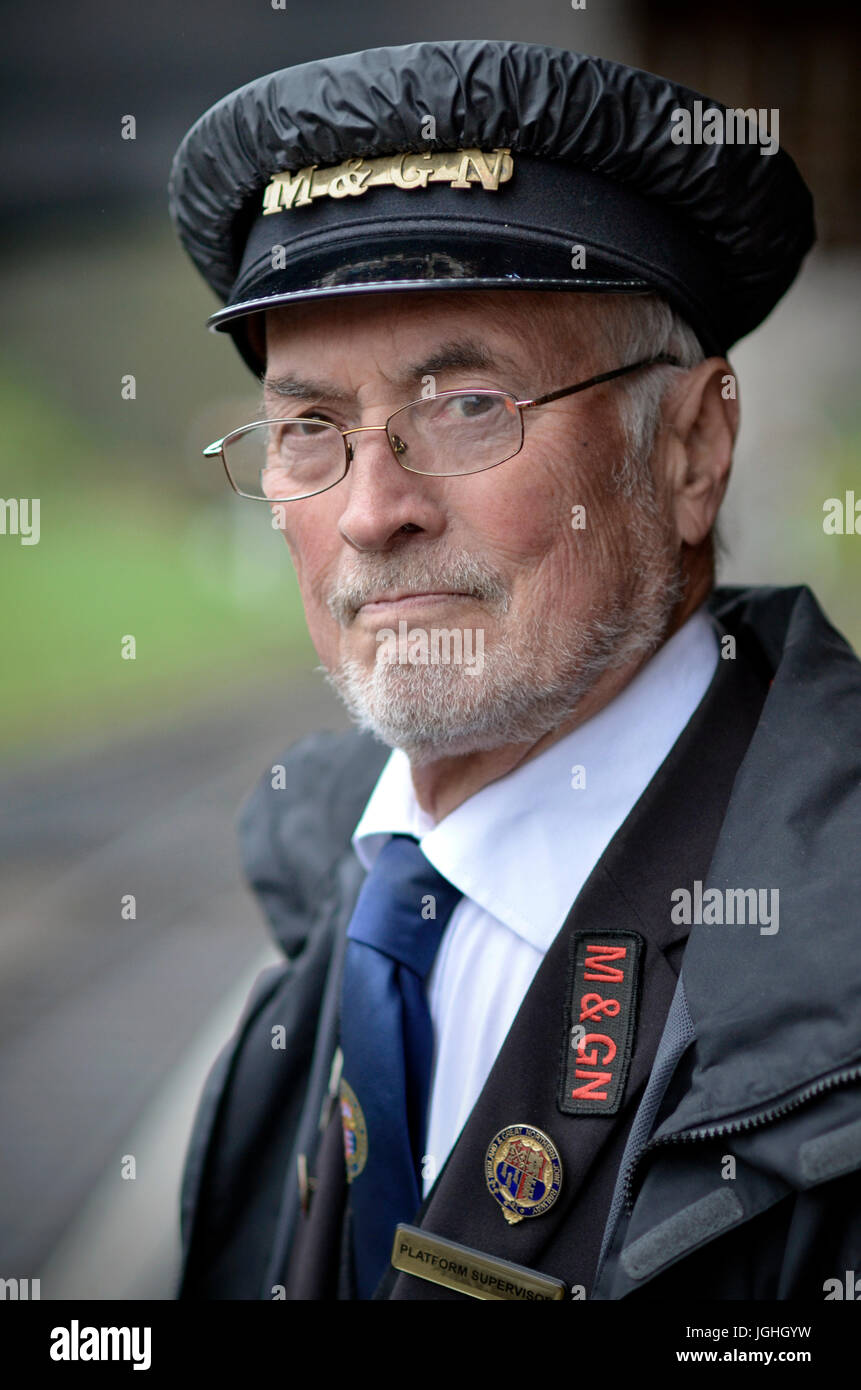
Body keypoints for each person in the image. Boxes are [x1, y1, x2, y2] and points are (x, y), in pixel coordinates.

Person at [168, 40, 861, 1301]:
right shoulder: (339, 900)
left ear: (694, 449)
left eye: (470, 404)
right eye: (308, 428)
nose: (374, 512)